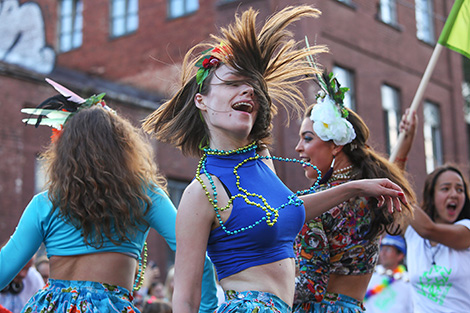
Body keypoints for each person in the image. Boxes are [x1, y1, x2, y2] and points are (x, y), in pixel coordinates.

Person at [142, 5, 407, 312]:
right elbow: (185, 299)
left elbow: (289, 210)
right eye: (232, 84)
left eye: (253, 86)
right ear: (201, 100)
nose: (249, 92)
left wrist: (356, 187)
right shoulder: (202, 192)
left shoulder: (262, 160)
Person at [0, 80, 218, 313]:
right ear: (124, 148)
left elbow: (4, 268)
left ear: (64, 154)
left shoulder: (45, 203)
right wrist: (207, 308)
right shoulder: (145, 196)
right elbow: (195, 256)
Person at [293, 73, 416, 312]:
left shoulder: (315, 203)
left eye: (307, 138)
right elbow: (393, 172)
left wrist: (260, 290)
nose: (298, 148)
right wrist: (407, 141)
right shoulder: (374, 197)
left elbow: (310, 286)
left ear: (336, 145)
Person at [394, 109, 470, 312]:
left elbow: (429, 230)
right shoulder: (412, 232)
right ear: (431, 195)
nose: (454, 194)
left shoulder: (467, 231)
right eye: (446, 189)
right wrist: (405, 143)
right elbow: (390, 192)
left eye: (460, 190)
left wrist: (394, 183)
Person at [363, 235, 413, 313]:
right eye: (382, 249)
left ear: (400, 256)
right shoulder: (370, 273)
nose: (383, 253)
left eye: (388, 250)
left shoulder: (407, 280)